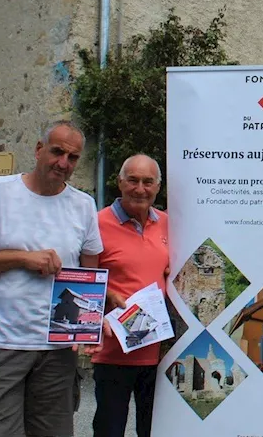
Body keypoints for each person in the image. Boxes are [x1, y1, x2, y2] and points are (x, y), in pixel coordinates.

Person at [0, 120, 103, 437]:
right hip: (3, 344)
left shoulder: (83, 205)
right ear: (38, 149)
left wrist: (85, 330)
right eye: (57, 152)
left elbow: (88, 278)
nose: (63, 163)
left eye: (72, 158)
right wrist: (22, 258)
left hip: (57, 351)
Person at [90, 155, 170, 437]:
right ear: (120, 182)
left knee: (154, 430)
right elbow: (83, 282)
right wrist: (105, 296)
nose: (140, 189)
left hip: (160, 353)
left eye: (148, 182)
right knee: (109, 430)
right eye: (133, 180)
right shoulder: (96, 224)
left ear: (158, 187)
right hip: (114, 353)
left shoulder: (168, 224)